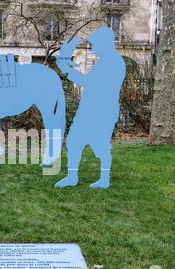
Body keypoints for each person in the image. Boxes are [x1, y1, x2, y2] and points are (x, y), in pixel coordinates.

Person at [55, 27, 126, 189]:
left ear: (105, 43)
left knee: (100, 145)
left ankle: (104, 180)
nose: (92, 47)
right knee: (74, 141)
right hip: (90, 109)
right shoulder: (105, 61)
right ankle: (72, 177)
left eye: (95, 44)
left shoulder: (113, 62)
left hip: (102, 111)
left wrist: (67, 70)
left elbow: (92, 84)